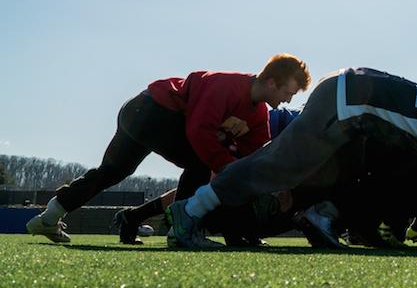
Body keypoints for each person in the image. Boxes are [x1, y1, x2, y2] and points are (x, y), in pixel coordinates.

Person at [166, 67, 417, 250]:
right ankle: (190, 211)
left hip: (347, 91)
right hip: (344, 103)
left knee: (328, 167)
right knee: (273, 167)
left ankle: (322, 214)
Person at [26, 54, 310, 244]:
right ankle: (181, 230)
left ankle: (49, 217)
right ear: (272, 82)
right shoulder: (227, 84)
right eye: (289, 92)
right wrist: (225, 165)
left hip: (142, 115)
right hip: (150, 109)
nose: (288, 99)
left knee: (111, 171)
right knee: (201, 161)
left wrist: (274, 185)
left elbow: (256, 156)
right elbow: (198, 131)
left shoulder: (259, 115)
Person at [111, 106, 304, 245]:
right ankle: (215, 230)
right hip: (258, 134)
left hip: (263, 134)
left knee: (210, 186)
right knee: (219, 185)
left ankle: (135, 216)